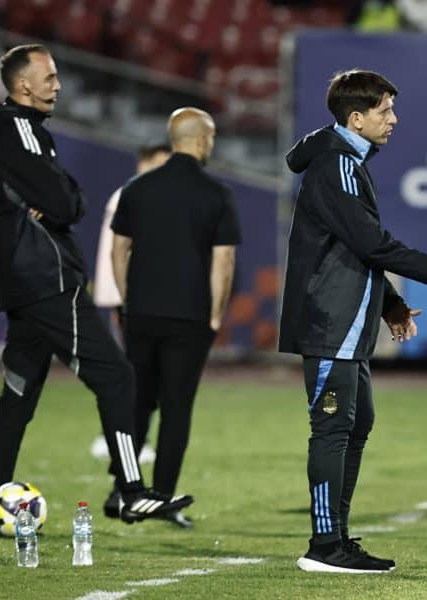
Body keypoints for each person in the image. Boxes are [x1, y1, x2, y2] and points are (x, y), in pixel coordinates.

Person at [0, 44, 192, 536]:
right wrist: (61, 200)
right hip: (47, 278)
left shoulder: (16, 132)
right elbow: (67, 203)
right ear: (22, 84)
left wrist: (61, 198)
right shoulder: (18, 129)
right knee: (117, 377)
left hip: (26, 286)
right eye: (49, 77)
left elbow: (63, 199)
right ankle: (131, 492)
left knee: (17, 396)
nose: (58, 85)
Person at [280, 69, 427, 573]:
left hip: (349, 321)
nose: (394, 119)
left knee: (356, 423)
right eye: (385, 110)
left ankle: (337, 537)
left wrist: (389, 304)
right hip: (331, 321)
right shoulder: (338, 164)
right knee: (333, 428)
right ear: (356, 118)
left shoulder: (346, 162)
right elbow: (370, 243)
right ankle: (325, 546)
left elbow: (351, 248)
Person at [106, 108, 240, 528]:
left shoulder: (137, 188)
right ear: (202, 140)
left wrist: (128, 298)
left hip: (141, 312)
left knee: (137, 402)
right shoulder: (216, 193)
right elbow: (224, 261)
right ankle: (162, 496)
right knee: (176, 408)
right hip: (189, 315)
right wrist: (215, 313)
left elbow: (118, 250)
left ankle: (123, 489)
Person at [87, 143, 170, 464]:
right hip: (130, 299)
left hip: (133, 297)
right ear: (142, 164)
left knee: (138, 370)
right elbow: (120, 253)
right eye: (159, 164)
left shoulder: (134, 196)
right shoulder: (131, 197)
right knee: (133, 371)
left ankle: (124, 436)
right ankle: (123, 437)